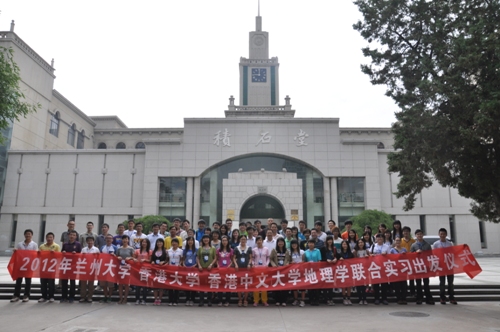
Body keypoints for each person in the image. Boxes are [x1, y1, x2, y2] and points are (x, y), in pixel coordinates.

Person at [11, 229, 38, 303]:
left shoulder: (34, 244)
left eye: (29, 234)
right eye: (26, 234)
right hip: (20, 265)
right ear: (24, 235)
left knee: (28, 281)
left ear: (32, 235)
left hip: (29, 266)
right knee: (18, 281)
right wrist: (15, 251)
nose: (28, 235)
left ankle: (26, 295)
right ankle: (16, 295)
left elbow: (35, 255)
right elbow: (17, 255)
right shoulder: (20, 244)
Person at [410, 229, 435, 305]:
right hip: (417, 266)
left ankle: (428, 298)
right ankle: (419, 298)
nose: (419, 236)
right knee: (418, 283)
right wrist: (415, 253)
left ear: (423, 235)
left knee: (426, 283)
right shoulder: (413, 245)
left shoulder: (427, 245)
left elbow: (431, 255)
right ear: (416, 236)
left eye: (420, 234)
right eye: (418, 234)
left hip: (425, 266)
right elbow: (410, 256)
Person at [433, 228, 457, 304]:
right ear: (439, 235)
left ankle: (451, 297)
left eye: (444, 234)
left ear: (446, 235)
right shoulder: (436, 244)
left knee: (450, 282)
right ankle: (442, 297)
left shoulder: (450, 244)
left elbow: (453, 253)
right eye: (441, 234)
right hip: (441, 266)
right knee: (442, 282)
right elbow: (434, 255)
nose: (442, 235)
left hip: (449, 265)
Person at [38, 232, 60, 303]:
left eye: (51, 237)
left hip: (51, 267)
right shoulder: (42, 246)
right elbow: (38, 257)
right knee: (43, 282)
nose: (49, 239)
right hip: (43, 267)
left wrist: (54, 253)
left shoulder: (56, 246)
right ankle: (43, 296)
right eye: (48, 237)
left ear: (53, 238)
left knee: (51, 283)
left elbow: (59, 256)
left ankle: (51, 296)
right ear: (46, 238)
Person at [60, 230, 82, 303]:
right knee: (64, 282)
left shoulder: (78, 244)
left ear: (76, 236)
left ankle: (72, 297)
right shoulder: (65, 244)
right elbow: (61, 253)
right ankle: (64, 296)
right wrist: (63, 252)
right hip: (65, 265)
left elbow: (81, 255)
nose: (72, 236)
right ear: (68, 236)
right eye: (71, 235)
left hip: (74, 266)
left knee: (72, 282)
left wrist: (76, 253)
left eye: (73, 235)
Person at [370, 233, 390, 305]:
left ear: (383, 239)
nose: (379, 239)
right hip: (375, 267)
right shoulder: (373, 246)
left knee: (384, 284)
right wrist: (371, 255)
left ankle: (384, 298)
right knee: (376, 284)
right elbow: (370, 254)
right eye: (378, 238)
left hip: (384, 267)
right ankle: (376, 298)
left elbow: (391, 257)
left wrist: (386, 255)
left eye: (381, 238)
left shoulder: (387, 246)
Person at [233, 235, 252, 307]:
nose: (243, 240)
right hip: (239, 269)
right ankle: (240, 299)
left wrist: (249, 264)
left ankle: (245, 300)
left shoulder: (249, 248)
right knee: (239, 285)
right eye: (242, 239)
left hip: (247, 269)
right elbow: (234, 258)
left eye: (244, 239)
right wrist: (236, 265)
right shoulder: (236, 248)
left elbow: (250, 258)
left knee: (246, 285)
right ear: (239, 240)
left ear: (246, 240)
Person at [270, 237, 290, 306]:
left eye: (282, 242)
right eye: (279, 242)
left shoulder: (287, 250)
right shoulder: (274, 250)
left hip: (284, 270)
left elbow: (288, 259)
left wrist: (287, 264)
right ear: (277, 243)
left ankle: (284, 300)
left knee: (284, 285)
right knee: (277, 285)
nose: (280, 243)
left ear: (284, 243)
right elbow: (271, 259)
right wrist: (274, 265)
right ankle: (277, 300)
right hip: (276, 270)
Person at [197, 234, 216, 306]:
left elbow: (215, 258)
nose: (206, 240)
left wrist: (211, 265)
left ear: (209, 240)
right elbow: (198, 257)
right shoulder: (200, 248)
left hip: (210, 269)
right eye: (204, 238)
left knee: (209, 284)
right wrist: (199, 265)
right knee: (201, 285)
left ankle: (209, 300)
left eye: (207, 238)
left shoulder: (213, 248)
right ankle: (201, 300)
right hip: (202, 268)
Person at [80, 236, 100, 303]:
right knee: (83, 283)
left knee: (91, 283)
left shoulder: (96, 249)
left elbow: (99, 258)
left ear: (93, 241)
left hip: (92, 268)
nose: (90, 242)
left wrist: (96, 255)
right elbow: (80, 258)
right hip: (84, 267)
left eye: (91, 241)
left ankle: (89, 297)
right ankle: (83, 297)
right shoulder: (83, 249)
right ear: (86, 242)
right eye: (88, 241)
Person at [252, 236, 270, 307]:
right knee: (256, 285)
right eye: (258, 240)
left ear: (262, 241)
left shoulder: (266, 249)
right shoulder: (254, 250)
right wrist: (253, 264)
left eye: (260, 240)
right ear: (256, 242)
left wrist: (267, 264)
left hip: (264, 268)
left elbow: (268, 258)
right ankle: (256, 300)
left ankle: (264, 300)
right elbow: (253, 258)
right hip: (256, 269)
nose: (259, 241)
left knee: (264, 285)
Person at [116, 235, 134, 304]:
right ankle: (121, 298)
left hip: (128, 268)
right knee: (120, 284)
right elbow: (116, 257)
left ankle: (125, 298)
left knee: (126, 284)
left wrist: (130, 258)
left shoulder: (131, 249)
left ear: (128, 240)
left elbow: (134, 258)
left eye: (126, 239)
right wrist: (118, 257)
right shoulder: (119, 249)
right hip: (120, 268)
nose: (124, 240)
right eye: (123, 239)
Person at [216, 235, 233, 306]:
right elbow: (216, 259)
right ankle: (220, 300)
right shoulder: (218, 250)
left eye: (226, 240)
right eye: (223, 240)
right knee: (220, 285)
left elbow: (233, 259)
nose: (224, 242)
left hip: (228, 269)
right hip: (220, 269)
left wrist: (230, 265)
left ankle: (227, 300)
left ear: (228, 241)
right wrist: (217, 265)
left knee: (227, 285)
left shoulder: (231, 250)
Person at [321, 235, 339, 305]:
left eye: (331, 240)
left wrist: (336, 258)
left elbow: (337, 255)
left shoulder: (334, 248)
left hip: (332, 268)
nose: (330, 241)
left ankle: (331, 298)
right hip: (325, 268)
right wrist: (326, 260)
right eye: (328, 240)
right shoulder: (323, 248)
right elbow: (322, 257)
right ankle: (326, 299)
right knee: (325, 284)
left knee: (331, 284)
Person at [133, 238, 151, 305]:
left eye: (145, 242)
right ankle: (137, 299)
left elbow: (150, 260)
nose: (144, 243)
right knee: (137, 285)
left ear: (148, 244)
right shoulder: (137, 250)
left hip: (146, 269)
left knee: (144, 285)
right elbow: (133, 257)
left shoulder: (150, 251)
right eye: (143, 242)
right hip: (138, 269)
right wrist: (134, 259)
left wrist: (145, 260)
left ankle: (144, 299)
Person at [304, 239, 322, 306]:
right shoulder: (306, 252)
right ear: (307, 244)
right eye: (309, 243)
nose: (311, 244)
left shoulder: (317, 251)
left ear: (314, 244)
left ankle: (317, 299)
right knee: (310, 285)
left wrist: (318, 268)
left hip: (316, 270)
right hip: (309, 271)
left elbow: (319, 260)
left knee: (316, 286)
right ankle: (311, 299)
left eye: (312, 243)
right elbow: (305, 261)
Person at [100, 234, 117, 303]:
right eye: (107, 238)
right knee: (103, 284)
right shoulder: (102, 247)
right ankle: (105, 296)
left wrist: (114, 255)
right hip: (103, 267)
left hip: (111, 268)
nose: (108, 240)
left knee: (110, 284)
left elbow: (118, 257)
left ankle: (109, 296)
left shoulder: (115, 248)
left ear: (112, 240)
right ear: (105, 240)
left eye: (110, 238)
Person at [390, 237, 408, 304]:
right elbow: (390, 259)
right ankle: (398, 298)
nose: (398, 242)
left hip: (403, 269)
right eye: (396, 240)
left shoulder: (404, 249)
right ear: (394, 241)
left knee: (404, 284)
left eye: (399, 240)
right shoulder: (392, 250)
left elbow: (408, 258)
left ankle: (404, 298)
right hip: (395, 269)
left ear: (401, 242)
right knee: (397, 285)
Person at [182, 236, 198, 306]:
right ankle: (187, 299)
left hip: (194, 268)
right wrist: (183, 265)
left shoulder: (196, 250)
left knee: (193, 284)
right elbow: (183, 259)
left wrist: (195, 265)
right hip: (186, 268)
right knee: (187, 284)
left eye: (191, 240)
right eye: (189, 240)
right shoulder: (185, 250)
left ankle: (192, 299)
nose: (190, 242)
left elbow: (198, 259)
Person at [151, 238, 167, 305]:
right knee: (155, 285)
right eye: (158, 242)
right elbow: (151, 259)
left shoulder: (165, 251)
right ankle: (155, 299)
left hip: (162, 270)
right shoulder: (154, 251)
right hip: (155, 270)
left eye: (160, 242)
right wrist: (152, 262)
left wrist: (163, 262)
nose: (159, 243)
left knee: (161, 285)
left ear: (163, 243)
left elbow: (167, 260)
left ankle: (160, 299)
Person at [289, 240, 306, 307]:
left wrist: (302, 262)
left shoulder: (302, 251)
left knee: (302, 286)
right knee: (294, 286)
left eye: (295, 244)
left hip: (301, 270)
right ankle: (296, 299)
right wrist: (291, 262)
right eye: (292, 244)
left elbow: (304, 260)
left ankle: (302, 300)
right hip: (293, 271)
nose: (294, 245)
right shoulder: (290, 252)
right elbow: (289, 261)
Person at [401, 226, 416, 296]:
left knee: (411, 277)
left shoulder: (413, 241)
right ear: (402, 233)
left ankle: (412, 291)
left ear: (409, 233)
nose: (406, 233)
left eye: (407, 231)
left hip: (411, 261)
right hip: (402, 262)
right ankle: (405, 291)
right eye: (404, 231)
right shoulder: (400, 241)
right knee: (403, 278)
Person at [338, 240, 355, 305]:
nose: (344, 245)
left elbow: (354, 262)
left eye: (346, 244)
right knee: (343, 285)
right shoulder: (339, 254)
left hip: (349, 270)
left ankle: (349, 298)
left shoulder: (351, 254)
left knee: (349, 285)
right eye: (343, 244)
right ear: (341, 246)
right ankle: (344, 298)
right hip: (342, 271)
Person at [167, 238, 183, 306]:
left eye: (176, 242)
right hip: (170, 269)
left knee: (176, 285)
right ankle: (170, 300)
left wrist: (180, 263)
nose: (174, 244)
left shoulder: (181, 251)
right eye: (173, 242)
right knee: (170, 285)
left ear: (178, 244)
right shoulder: (168, 251)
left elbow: (182, 259)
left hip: (177, 269)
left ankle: (176, 300)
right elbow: (167, 259)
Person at [353, 239, 369, 305]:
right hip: (357, 269)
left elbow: (371, 259)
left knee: (364, 285)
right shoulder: (355, 251)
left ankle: (364, 299)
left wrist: (368, 257)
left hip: (365, 269)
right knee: (358, 285)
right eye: (359, 243)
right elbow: (353, 260)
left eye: (362, 242)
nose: (360, 244)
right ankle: (360, 299)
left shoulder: (367, 251)